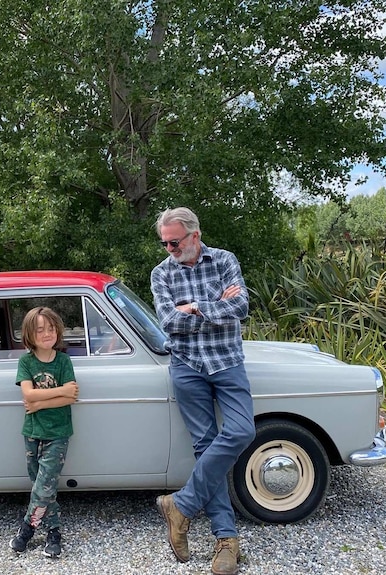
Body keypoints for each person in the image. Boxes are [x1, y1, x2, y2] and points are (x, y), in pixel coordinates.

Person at [150, 207, 255, 575]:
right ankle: (227, 540)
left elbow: (241, 307)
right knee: (205, 447)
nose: (169, 248)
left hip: (227, 361)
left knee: (243, 430)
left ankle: (181, 504)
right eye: (164, 242)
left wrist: (193, 307)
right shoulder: (161, 273)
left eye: (174, 241)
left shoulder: (225, 260)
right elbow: (168, 321)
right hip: (187, 367)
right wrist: (214, 308)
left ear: (195, 235)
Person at [9, 306, 80, 558]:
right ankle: (54, 532)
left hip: (58, 433)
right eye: (40, 330)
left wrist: (39, 402)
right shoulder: (26, 362)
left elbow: (71, 396)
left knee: (44, 486)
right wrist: (57, 392)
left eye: (51, 328)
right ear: (30, 334)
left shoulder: (63, 361)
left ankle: (27, 528)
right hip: (32, 431)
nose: (47, 334)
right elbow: (28, 394)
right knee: (41, 486)